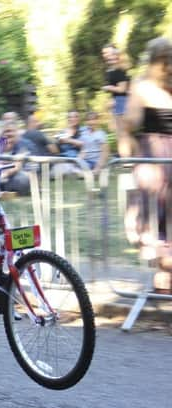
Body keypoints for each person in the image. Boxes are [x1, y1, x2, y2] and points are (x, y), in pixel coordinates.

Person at [121, 36, 172, 294]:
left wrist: (121, 130)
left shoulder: (142, 87)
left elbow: (131, 121)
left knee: (154, 221)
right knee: (162, 220)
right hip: (161, 162)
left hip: (155, 161)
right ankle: (165, 277)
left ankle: (164, 276)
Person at [102, 43, 130, 137]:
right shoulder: (111, 70)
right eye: (104, 53)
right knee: (118, 133)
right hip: (117, 101)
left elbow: (123, 89)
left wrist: (108, 88)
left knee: (122, 134)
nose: (106, 55)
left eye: (109, 53)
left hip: (122, 101)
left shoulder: (119, 70)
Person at [0, 120, 31, 196]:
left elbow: (16, 166)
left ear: (17, 133)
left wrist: (1, 176)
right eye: (6, 132)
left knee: (22, 179)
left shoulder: (22, 145)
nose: (9, 134)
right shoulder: (1, 146)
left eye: (11, 131)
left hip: (23, 175)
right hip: (7, 177)